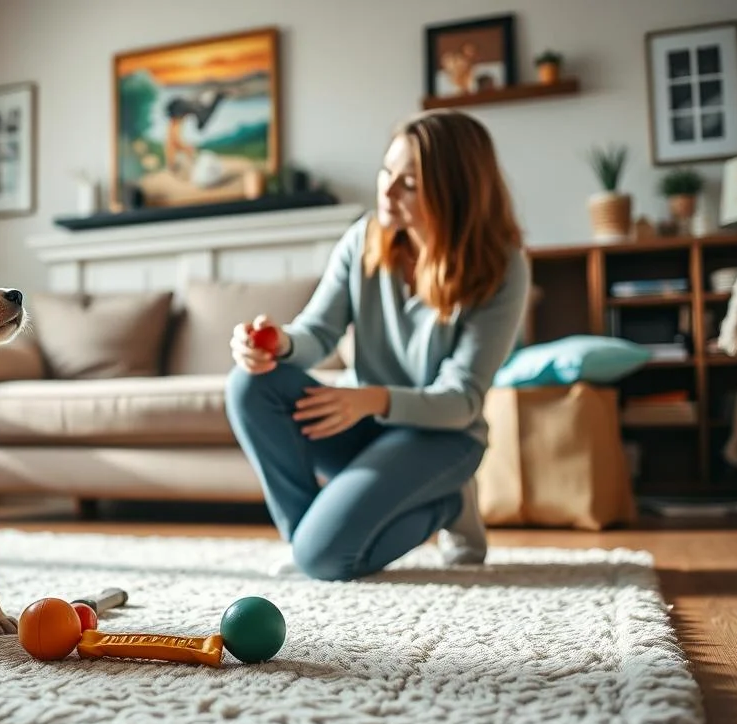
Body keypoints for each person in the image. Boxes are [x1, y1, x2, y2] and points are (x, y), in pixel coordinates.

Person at [224, 109, 529, 581]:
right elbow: (317, 333)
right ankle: (308, 541)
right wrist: (279, 344)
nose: (386, 191)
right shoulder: (364, 239)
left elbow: (462, 399)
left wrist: (371, 399)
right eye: (387, 171)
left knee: (326, 558)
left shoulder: (502, 268)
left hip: (442, 438)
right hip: (364, 425)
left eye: (409, 184)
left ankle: (446, 504)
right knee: (250, 384)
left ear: (455, 191)